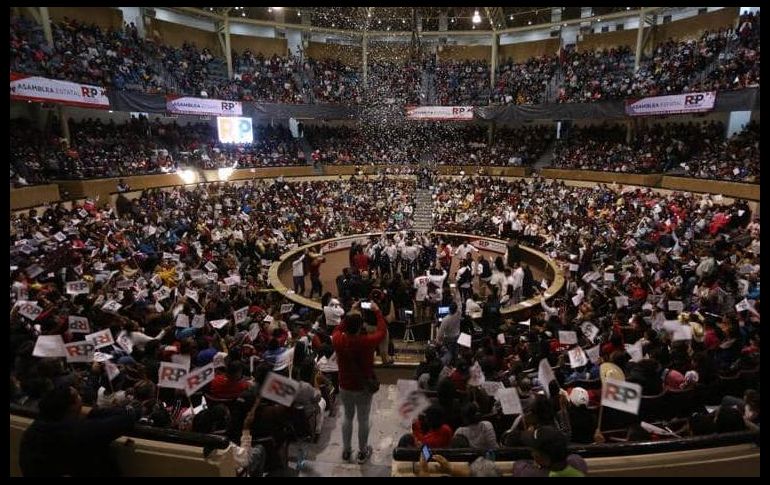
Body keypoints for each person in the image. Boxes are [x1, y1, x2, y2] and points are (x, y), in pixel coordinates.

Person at [20, 385, 137, 476]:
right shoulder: (80, 432)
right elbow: (128, 416)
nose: (80, 396)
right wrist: (90, 411)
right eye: (77, 396)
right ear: (72, 407)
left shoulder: (32, 432)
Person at [332, 300, 387, 464]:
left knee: (347, 417)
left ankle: (346, 451)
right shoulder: (367, 342)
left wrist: (350, 312)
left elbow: (337, 329)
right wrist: (377, 311)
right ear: (360, 326)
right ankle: (362, 452)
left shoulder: (338, 340)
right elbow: (382, 331)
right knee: (363, 419)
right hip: (363, 388)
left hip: (344, 386)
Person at [520, 426, 586, 477]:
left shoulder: (528, 473)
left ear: (539, 457)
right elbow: (573, 458)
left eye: (533, 450)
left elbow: (519, 465)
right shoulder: (578, 463)